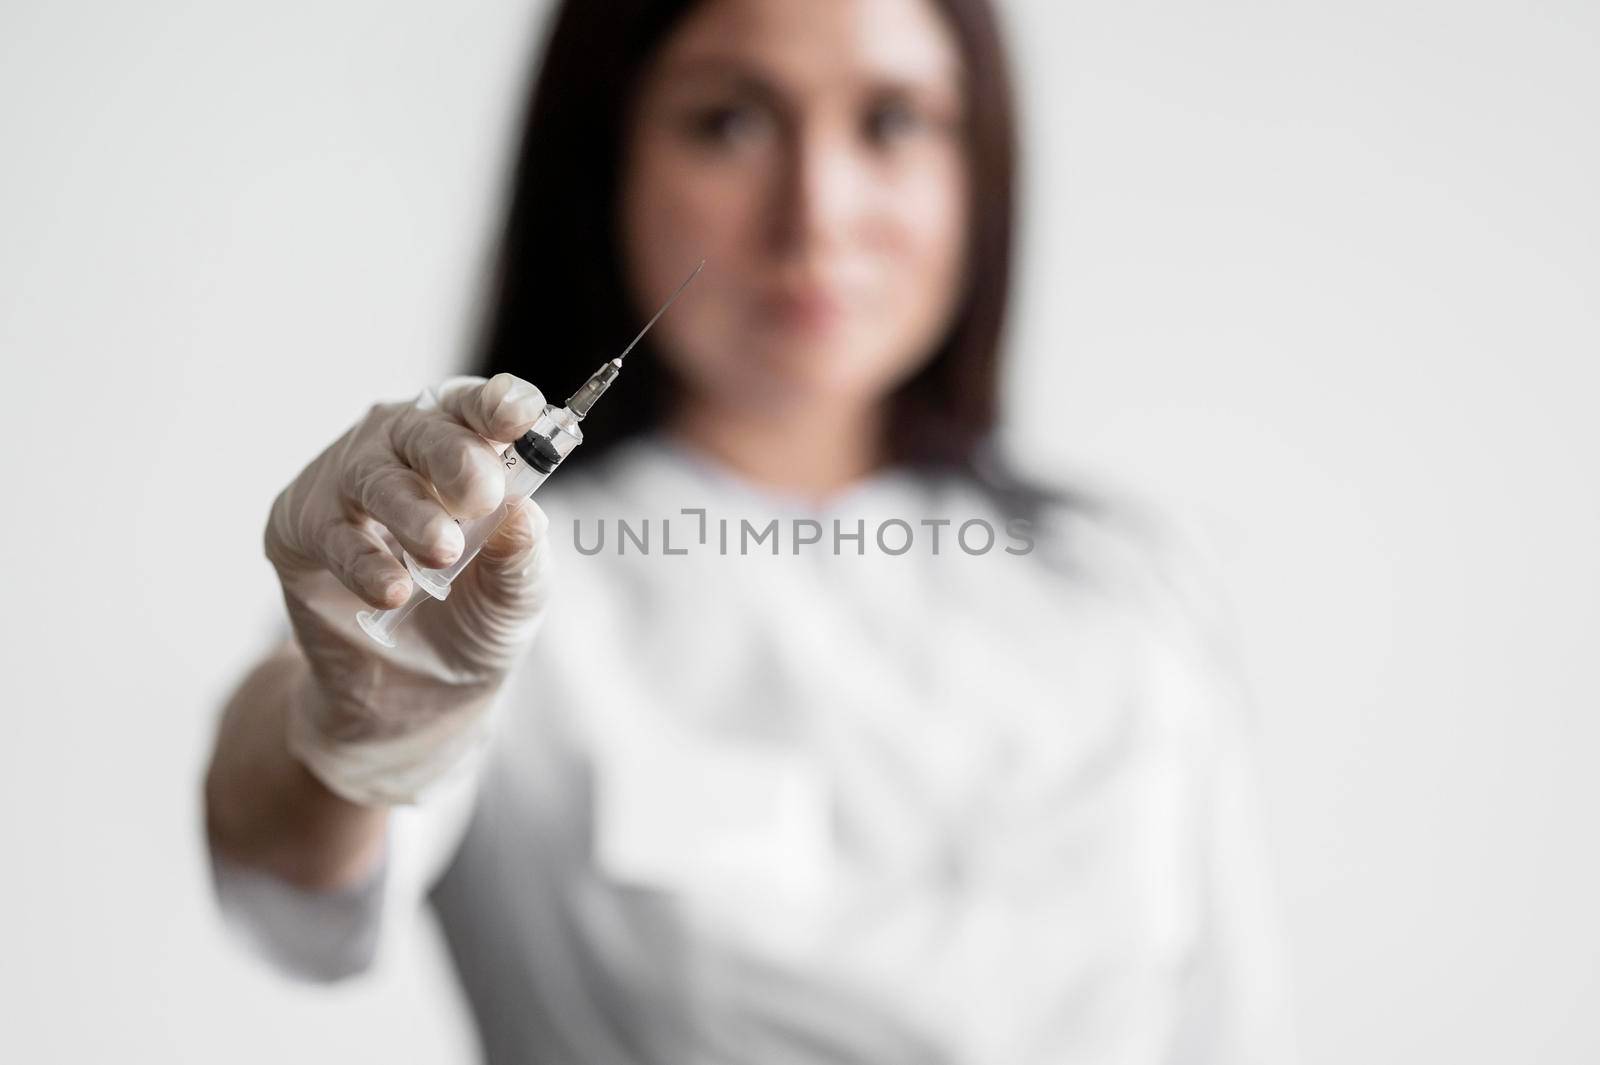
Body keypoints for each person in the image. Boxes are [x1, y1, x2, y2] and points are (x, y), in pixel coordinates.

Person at [203, 0, 1293, 1060]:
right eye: (730, 120)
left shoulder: (1122, 583)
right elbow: (285, 881)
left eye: (891, 121)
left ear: (978, 168)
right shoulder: (481, 568)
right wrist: (344, 744)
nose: (815, 212)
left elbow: (1234, 1025)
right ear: (605, 155)